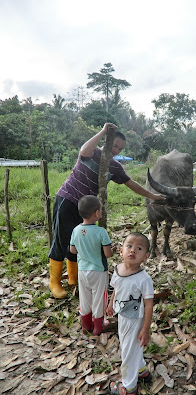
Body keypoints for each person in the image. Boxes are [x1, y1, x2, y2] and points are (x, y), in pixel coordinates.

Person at [48, 122, 163, 299]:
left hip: (87, 209)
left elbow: (131, 183)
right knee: (62, 239)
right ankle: (54, 282)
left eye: (120, 148)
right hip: (68, 199)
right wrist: (102, 131)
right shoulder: (92, 152)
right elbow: (83, 151)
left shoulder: (115, 167)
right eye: (114, 145)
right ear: (107, 142)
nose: (116, 150)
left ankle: (73, 278)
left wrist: (152, 196)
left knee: (79, 241)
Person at [107, 232, 154, 395]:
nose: (133, 250)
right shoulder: (118, 269)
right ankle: (142, 371)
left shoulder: (144, 279)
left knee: (127, 351)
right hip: (122, 316)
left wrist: (145, 329)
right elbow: (116, 288)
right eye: (129, 246)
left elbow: (149, 304)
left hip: (135, 320)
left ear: (146, 256)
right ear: (121, 251)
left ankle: (129, 387)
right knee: (130, 346)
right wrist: (110, 303)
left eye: (139, 248)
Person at [70, 195, 112, 335]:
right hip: (99, 271)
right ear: (97, 213)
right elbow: (108, 254)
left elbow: (72, 250)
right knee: (100, 298)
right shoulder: (101, 232)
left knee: (85, 297)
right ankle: (99, 327)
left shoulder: (76, 230)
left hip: (82, 270)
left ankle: (87, 325)